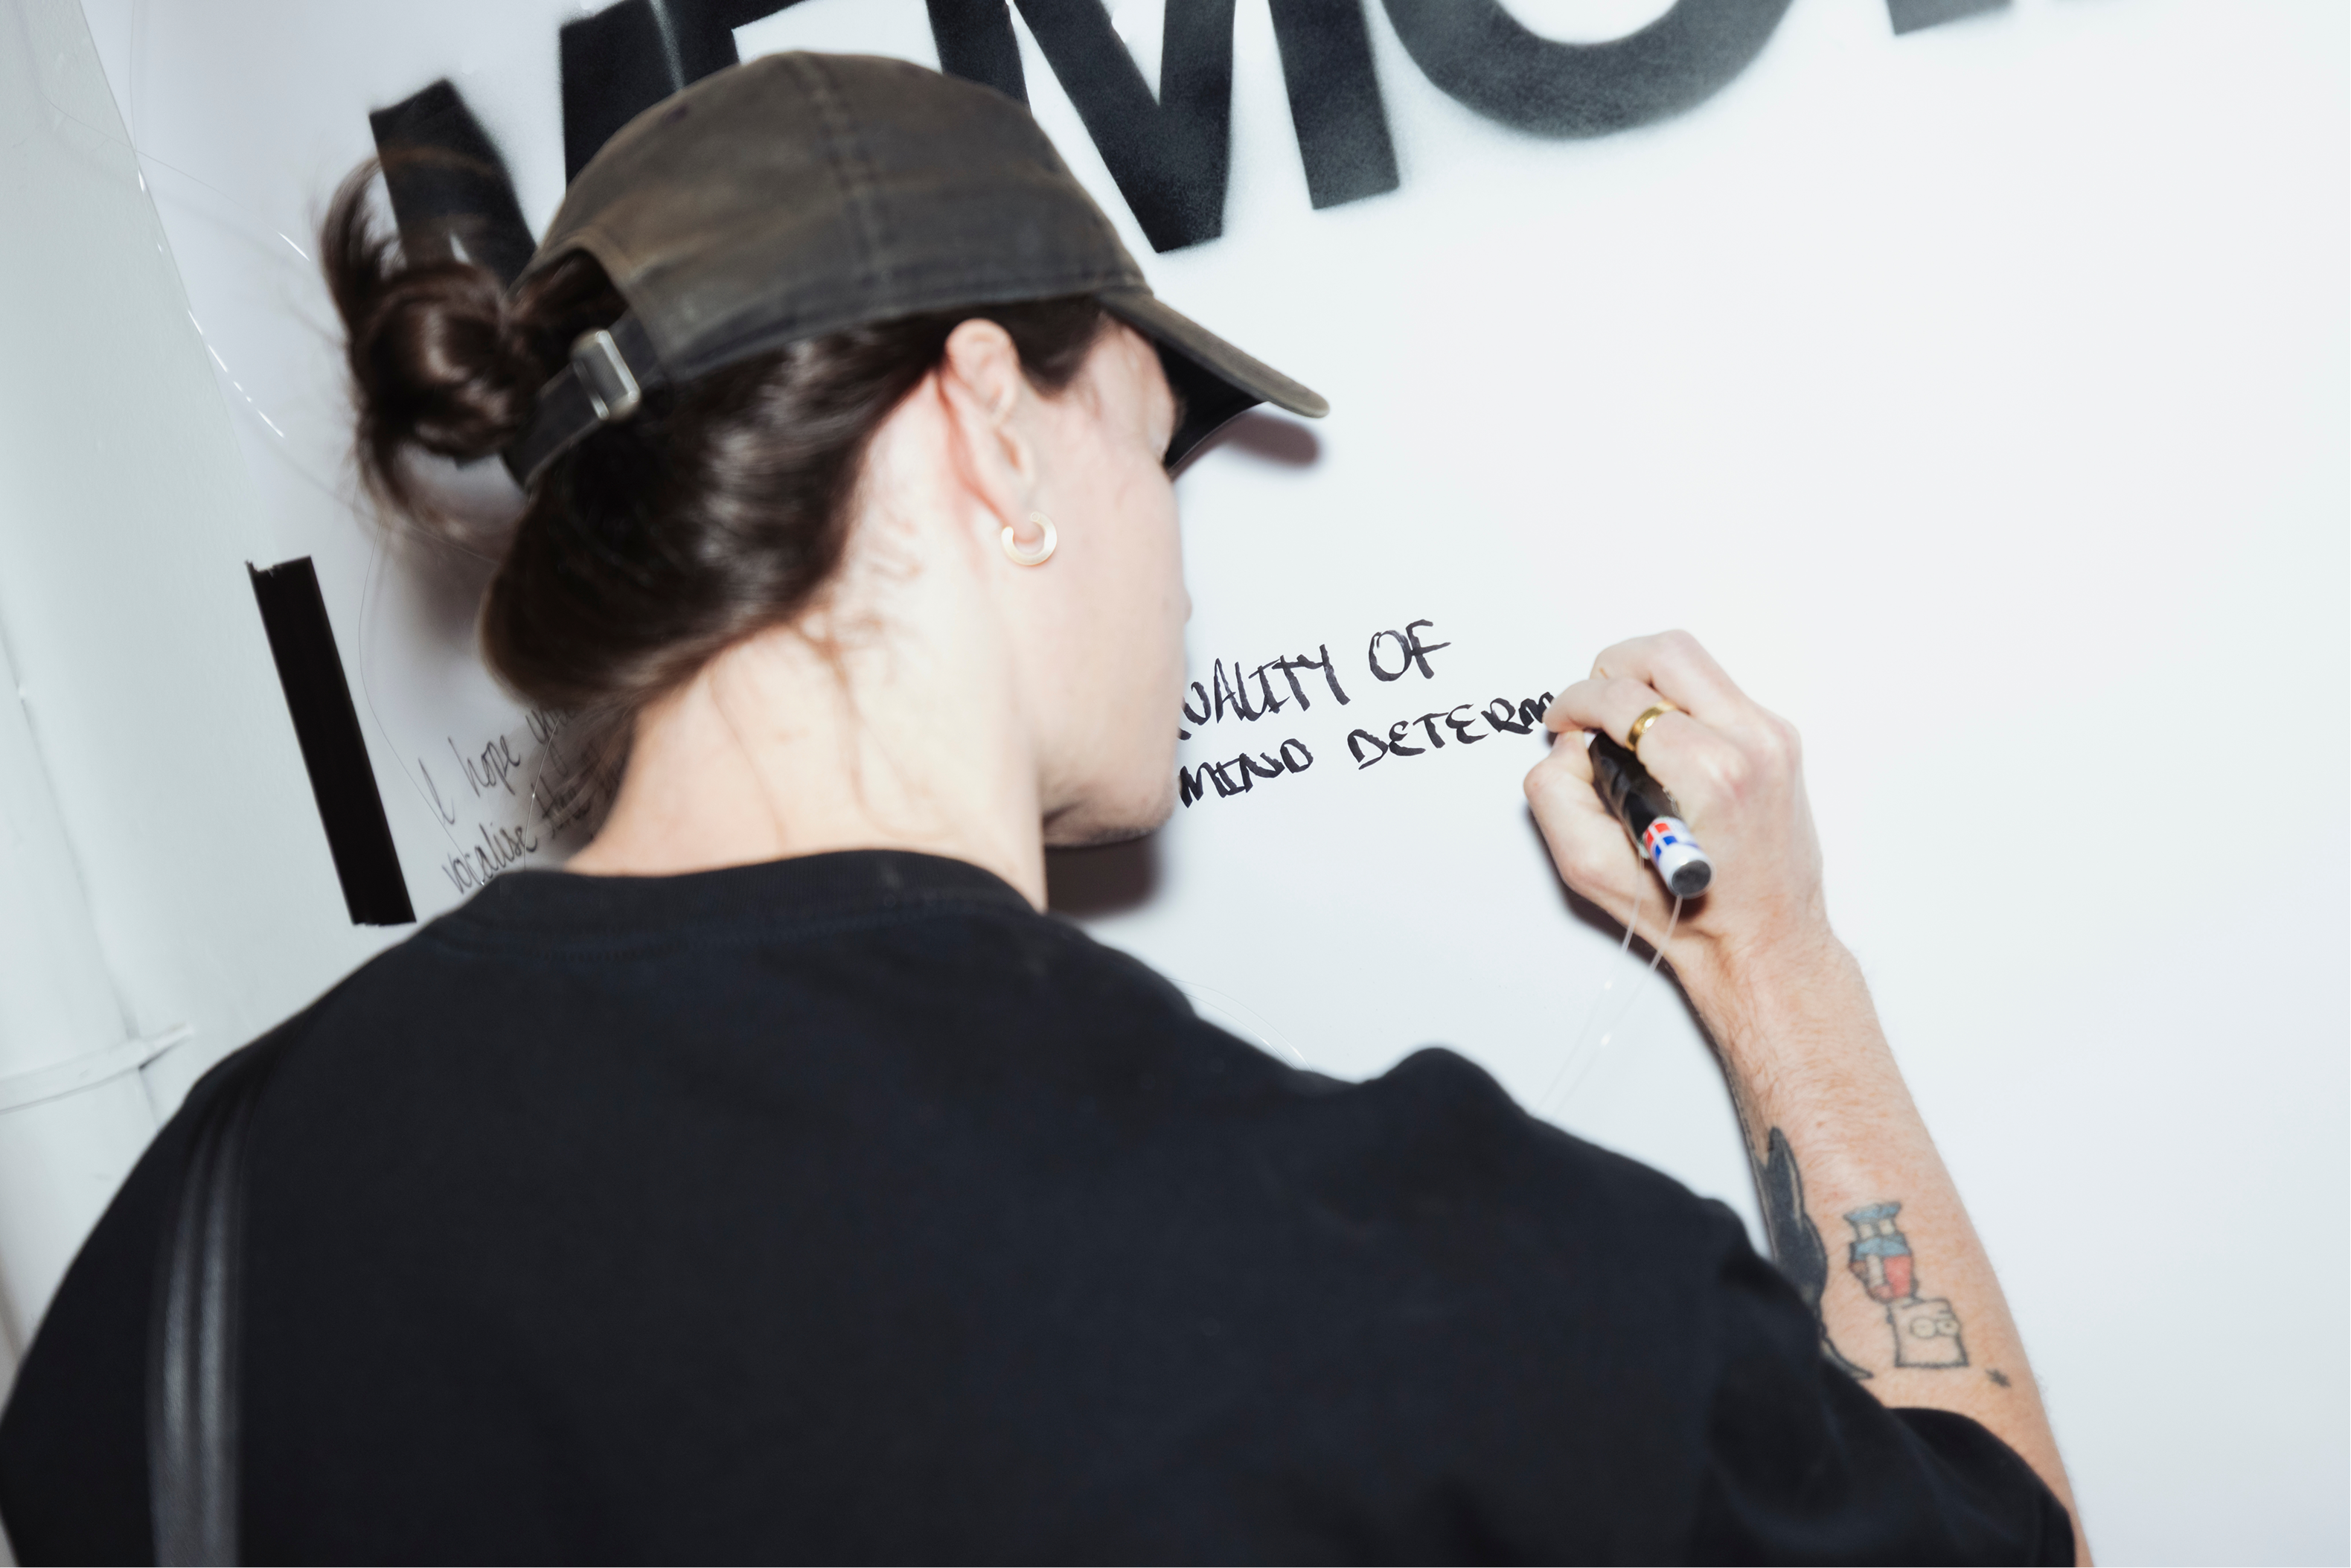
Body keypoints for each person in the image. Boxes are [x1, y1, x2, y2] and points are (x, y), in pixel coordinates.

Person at [0, 52, 2086, 1567]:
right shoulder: (1352, 1260)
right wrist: (1773, 960)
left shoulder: (203, 1228)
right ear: (990, 424)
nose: (1176, 566)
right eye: (1152, 435)